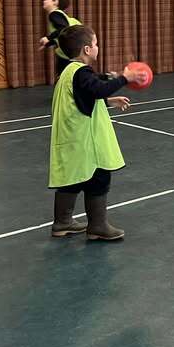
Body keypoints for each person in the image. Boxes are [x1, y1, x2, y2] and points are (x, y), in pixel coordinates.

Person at [48, 24, 147, 241]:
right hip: (85, 141)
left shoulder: (68, 71)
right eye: (95, 43)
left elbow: (84, 96)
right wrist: (124, 78)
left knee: (72, 179)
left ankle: (62, 222)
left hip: (71, 139)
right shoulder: (82, 72)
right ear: (86, 49)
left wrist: (108, 101)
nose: (97, 46)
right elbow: (97, 88)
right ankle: (98, 226)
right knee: (99, 178)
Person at [38, 0, 81, 77]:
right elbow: (61, 35)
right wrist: (48, 43)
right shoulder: (58, 15)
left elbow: (64, 29)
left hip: (70, 50)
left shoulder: (54, 14)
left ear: (55, 2)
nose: (44, 1)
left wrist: (48, 38)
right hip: (72, 49)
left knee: (64, 75)